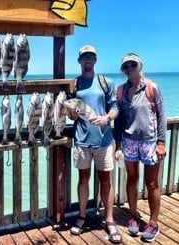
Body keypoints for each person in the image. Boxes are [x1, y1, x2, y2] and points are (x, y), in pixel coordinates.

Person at [67, 45, 122, 244]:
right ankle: (82, 216)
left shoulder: (105, 82)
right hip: (82, 140)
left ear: (95, 61)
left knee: (106, 181)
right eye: (84, 57)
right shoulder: (75, 84)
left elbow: (115, 107)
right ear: (79, 61)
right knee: (83, 179)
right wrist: (71, 114)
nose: (87, 60)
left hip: (105, 141)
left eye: (91, 57)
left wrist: (107, 118)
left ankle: (109, 220)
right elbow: (70, 110)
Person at [114, 53, 167, 242]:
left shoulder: (152, 88)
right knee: (132, 179)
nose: (129, 68)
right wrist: (118, 144)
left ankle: (153, 223)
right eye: (125, 66)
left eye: (132, 65)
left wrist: (161, 142)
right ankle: (133, 215)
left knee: (151, 183)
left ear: (140, 66)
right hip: (128, 141)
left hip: (150, 142)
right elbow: (119, 120)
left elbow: (162, 115)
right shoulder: (120, 91)